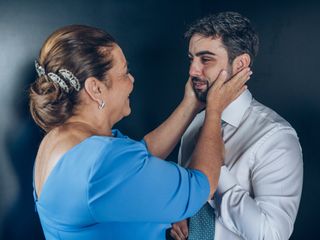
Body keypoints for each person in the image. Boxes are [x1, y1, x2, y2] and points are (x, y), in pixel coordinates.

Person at [29, 25, 250, 239]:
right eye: (125, 72)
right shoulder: (102, 161)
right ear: (96, 89)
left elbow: (141, 156)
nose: (132, 80)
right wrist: (214, 110)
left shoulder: (59, 139)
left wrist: (190, 104)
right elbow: (202, 186)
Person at [170, 12, 303, 240]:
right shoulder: (195, 124)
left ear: (240, 64)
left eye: (206, 59)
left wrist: (213, 167)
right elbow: (187, 194)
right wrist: (180, 213)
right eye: (191, 59)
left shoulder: (276, 137)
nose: (192, 71)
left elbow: (272, 234)